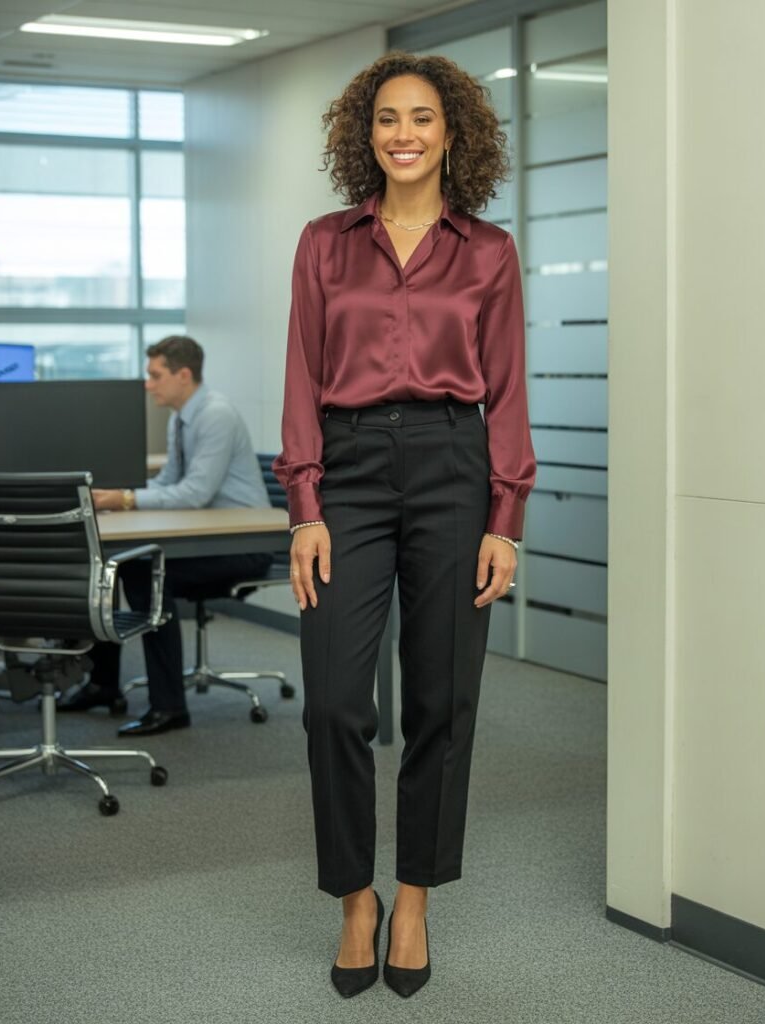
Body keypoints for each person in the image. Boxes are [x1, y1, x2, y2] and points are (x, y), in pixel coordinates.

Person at [273, 53, 536, 998]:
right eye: (387, 118)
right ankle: (355, 898)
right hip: (343, 472)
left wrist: (504, 518)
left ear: (452, 132)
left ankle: (415, 896)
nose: (405, 134)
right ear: (365, 135)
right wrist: (303, 502)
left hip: (453, 468)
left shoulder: (488, 252)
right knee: (337, 703)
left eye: (422, 118)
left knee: (441, 702)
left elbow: (504, 390)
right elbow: (302, 373)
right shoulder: (323, 243)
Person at [57, 335, 272, 737]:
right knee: (114, 570)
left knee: (145, 574)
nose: (148, 384)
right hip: (206, 535)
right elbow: (172, 481)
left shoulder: (215, 415)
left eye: (155, 375)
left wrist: (124, 499)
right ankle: (103, 686)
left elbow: (195, 493)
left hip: (245, 543)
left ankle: (170, 707)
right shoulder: (181, 416)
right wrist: (124, 497)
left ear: (183, 375)